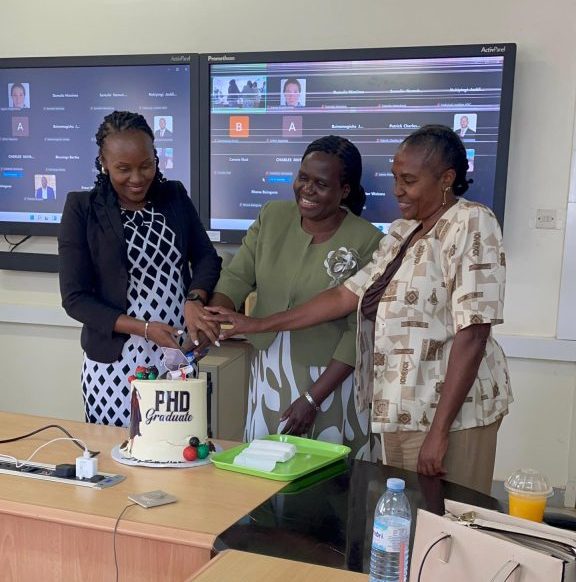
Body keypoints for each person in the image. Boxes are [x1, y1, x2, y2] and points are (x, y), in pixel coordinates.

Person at [205, 125, 512, 495]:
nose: (398, 189)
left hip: (451, 417)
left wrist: (439, 431)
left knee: (452, 525)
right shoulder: (403, 232)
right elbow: (342, 298)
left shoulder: (471, 222)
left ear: (446, 179)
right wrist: (258, 324)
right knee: (408, 527)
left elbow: (473, 332)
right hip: (399, 414)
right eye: (396, 178)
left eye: (409, 180)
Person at [189, 136, 383, 459]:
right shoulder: (272, 216)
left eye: (320, 184)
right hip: (270, 372)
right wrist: (211, 320)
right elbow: (237, 278)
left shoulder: (369, 240)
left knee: (328, 482)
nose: (306, 190)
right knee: (265, 473)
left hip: (332, 380)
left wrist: (312, 399)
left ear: (344, 191)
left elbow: (359, 330)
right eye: (303, 178)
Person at [58, 111, 221, 426]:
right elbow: (75, 298)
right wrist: (144, 329)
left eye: (146, 165)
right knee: (123, 455)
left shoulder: (173, 196)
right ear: (104, 163)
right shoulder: (82, 208)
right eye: (123, 169)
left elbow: (206, 257)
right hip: (116, 364)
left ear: (156, 157)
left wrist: (195, 300)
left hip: (177, 351)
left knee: (180, 449)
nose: (137, 178)